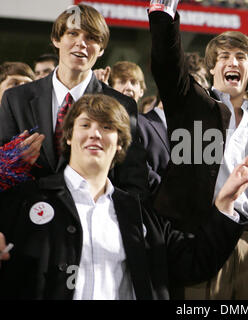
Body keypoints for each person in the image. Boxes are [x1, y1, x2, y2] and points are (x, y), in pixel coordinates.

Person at [0, 93, 248, 300]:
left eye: (106, 126)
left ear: (121, 143)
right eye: (85, 124)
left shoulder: (138, 212)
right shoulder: (24, 200)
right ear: (68, 136)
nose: (95, 133)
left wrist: (225, 203)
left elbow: (192, 263)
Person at [149, 8, 248, 299]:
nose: (232, 62)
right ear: (212, 69)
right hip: (203, 240)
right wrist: (163, 14)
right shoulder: (191, 105)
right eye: (224, 57)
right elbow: (167, 65)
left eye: (240, 57)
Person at [0, 4, 148, 197]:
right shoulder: (16, 99)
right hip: (29, 217)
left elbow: (132, 178)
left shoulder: (122, 105)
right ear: (56, 39)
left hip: (91, 219)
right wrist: (13, 161)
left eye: (91, 38)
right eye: (73, 33)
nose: (82, 43)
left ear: (101, 49)